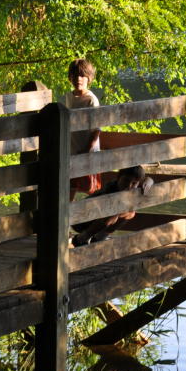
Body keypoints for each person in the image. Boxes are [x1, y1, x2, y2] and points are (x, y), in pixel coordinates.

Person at [71, 165, 155, 246]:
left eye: (133, 183)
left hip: (94, 221)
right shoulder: (110, 189)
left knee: (131, 213)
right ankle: (81, 239)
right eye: (126, 181)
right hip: (80, 221)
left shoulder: (130, 188)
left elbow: (148, 180)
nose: (129, 186)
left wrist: (149, 181)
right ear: (118, 177)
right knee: (114, 213)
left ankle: (99, 238)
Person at [64, 57, 103, 196]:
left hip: (88, 152)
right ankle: (67, 217)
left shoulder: (91, 100)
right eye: (75, 75)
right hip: (72, 151)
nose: (78, 79)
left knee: (90, 188)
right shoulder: (68, 97)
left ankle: (93, 217)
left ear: (89, 78)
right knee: (70, 188)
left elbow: (96, 131)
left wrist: (87, 151)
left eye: (82, 75)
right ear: (70, 78)